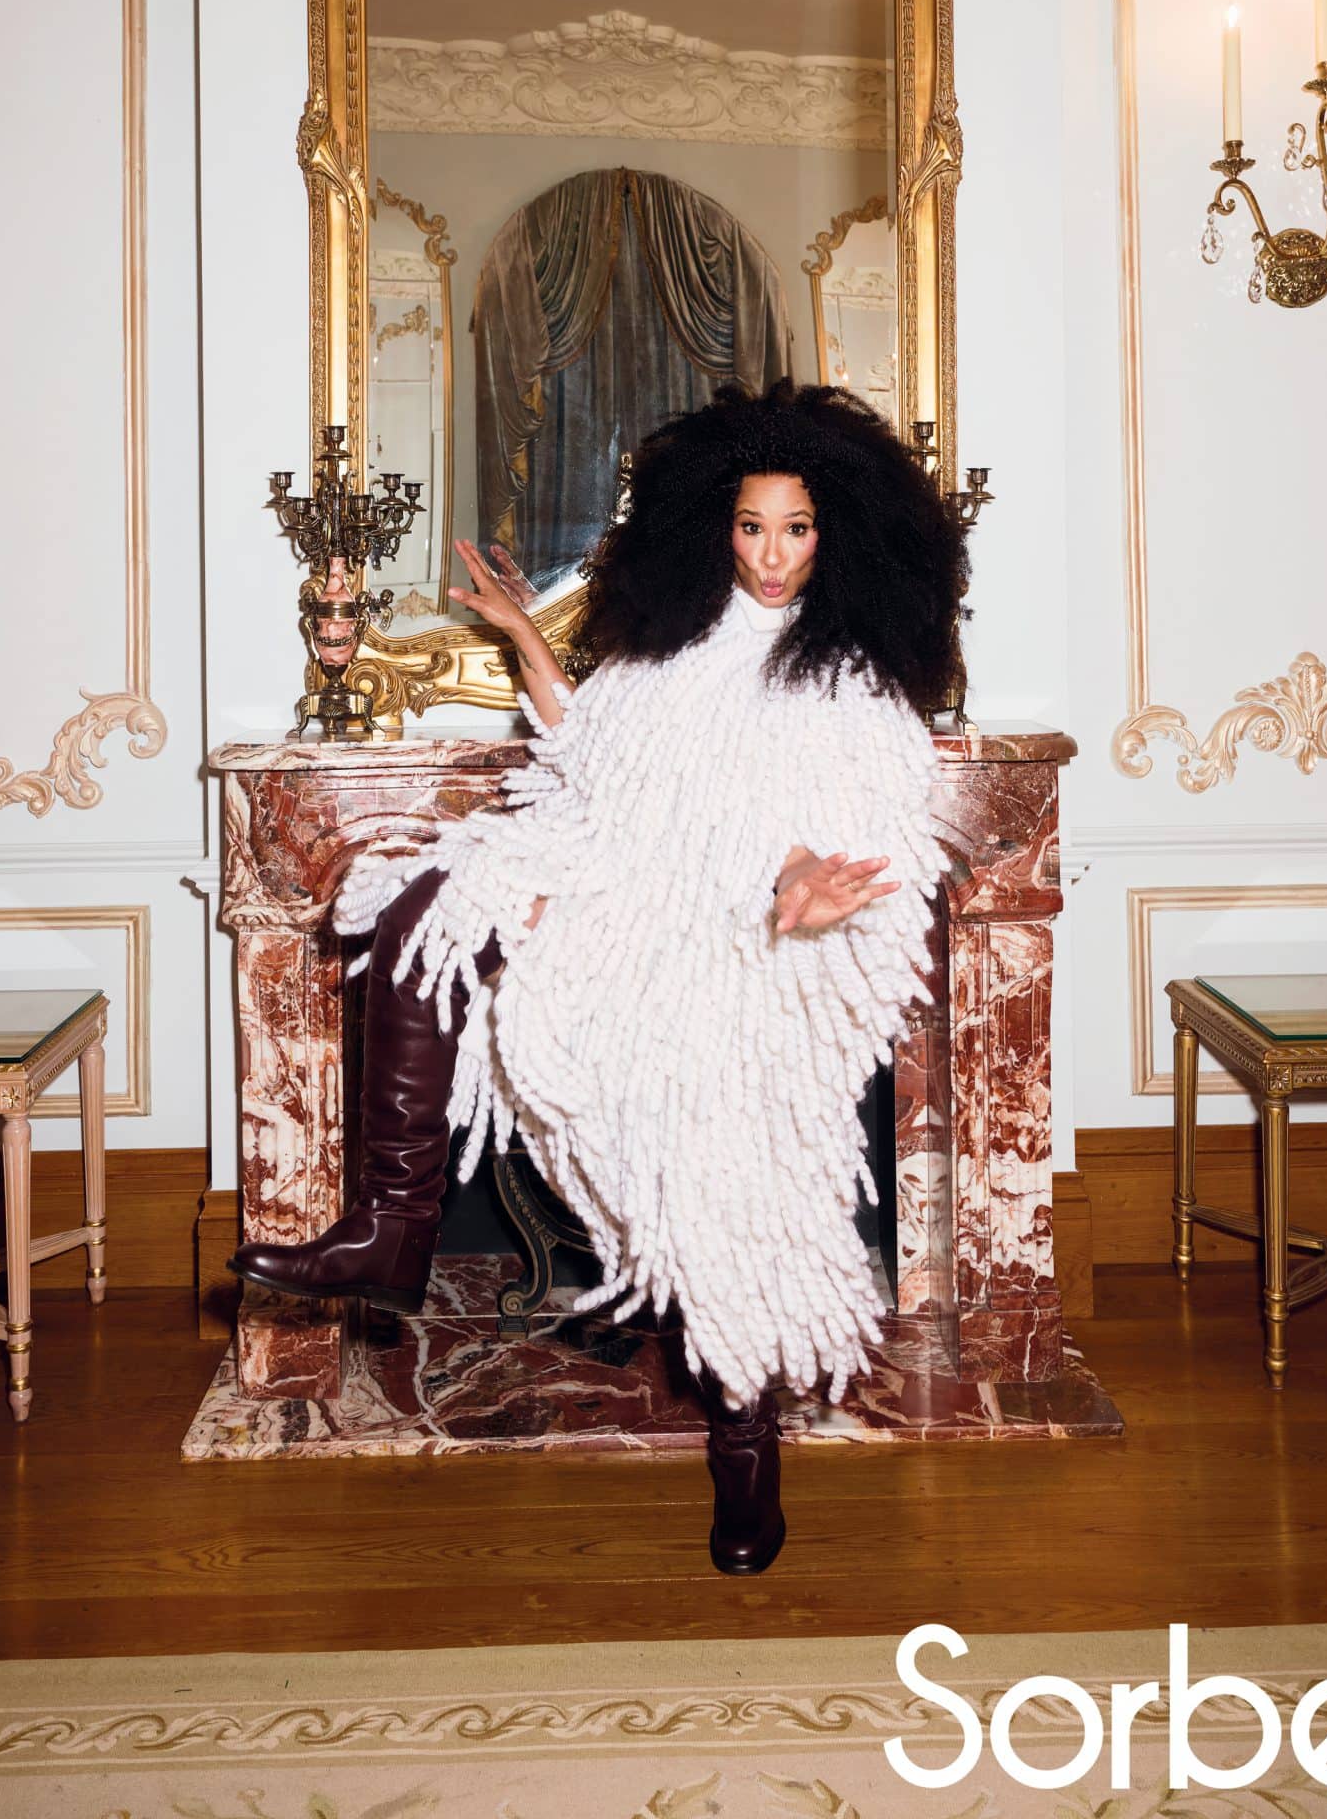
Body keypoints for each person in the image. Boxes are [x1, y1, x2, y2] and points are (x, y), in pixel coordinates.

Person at [233, 381, 965, 1575]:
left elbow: (843, 831)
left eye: (795, 528)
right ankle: (391, 1226)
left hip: (749, 964)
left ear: (836, 534)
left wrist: (801, 890)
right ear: (712, 527)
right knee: (426, 901)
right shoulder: (671, 653)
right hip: (628, 915)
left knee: (721, 1212)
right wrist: (523, 633)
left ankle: (746, 1453)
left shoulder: (850, 691)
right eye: (750, 526)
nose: (770, 554)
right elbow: (596, 757)